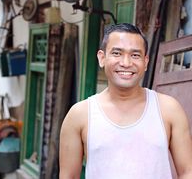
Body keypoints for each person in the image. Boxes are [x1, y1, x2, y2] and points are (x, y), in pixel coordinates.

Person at [59, 23, 192, 179]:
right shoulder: (79, 115)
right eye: (117, 53)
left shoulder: (168, 109)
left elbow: (187, 172)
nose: (126, 63)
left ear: (146, 62)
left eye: (135, 55)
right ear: (102, 58)